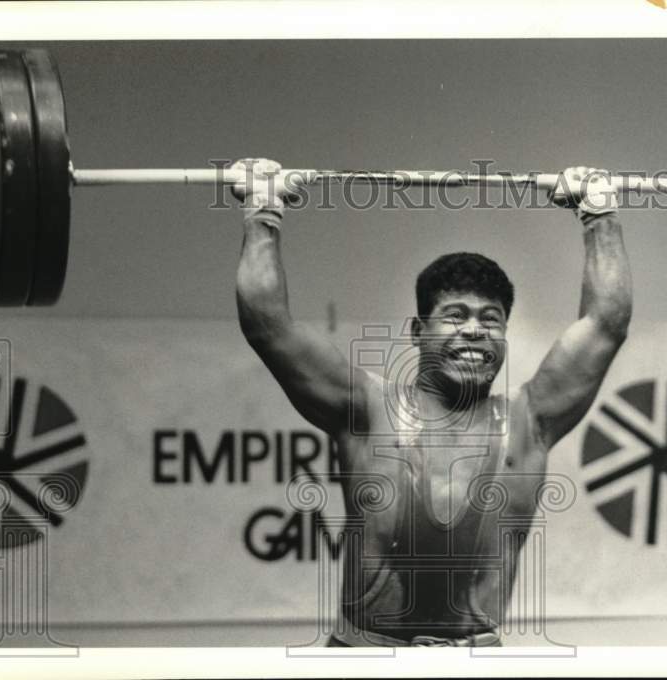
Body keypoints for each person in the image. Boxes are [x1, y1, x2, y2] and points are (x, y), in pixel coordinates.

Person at [232, 159, 632, 647]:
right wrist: (262, 213)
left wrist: (601, 216)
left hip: (473, 663)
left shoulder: (531, 422)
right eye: (455, 315)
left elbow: (606, 323)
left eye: (492, 318)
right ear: (418, 333)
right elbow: (268, 325)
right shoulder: (366, 409)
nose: (474, 330)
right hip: (366, 662)